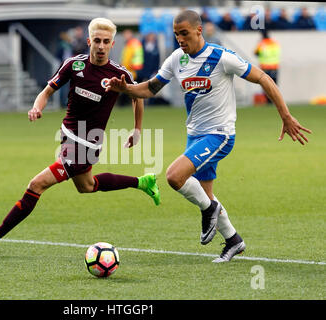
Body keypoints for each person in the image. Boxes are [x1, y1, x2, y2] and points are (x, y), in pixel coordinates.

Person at [106, 10, 311, 263]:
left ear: (198, 31)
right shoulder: (176, 59)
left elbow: (264, 78)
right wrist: (125, 88)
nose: (180, 39)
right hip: (195, 135)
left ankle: (210, 210)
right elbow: (150, 88)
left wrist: (286, 116)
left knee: (174, 176)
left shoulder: (221, 57)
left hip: (220, 135)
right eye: (176, 34)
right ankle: (234, 240)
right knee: (205, 194)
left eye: (185, 33)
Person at [0, 17, 160, 254]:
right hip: (68, 136)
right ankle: (143, 182)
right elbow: (47, 91)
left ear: (112, 44)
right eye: (97, 41)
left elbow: (136, 96)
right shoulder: (74, 65)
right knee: (87, 186)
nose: (101, 46)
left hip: (86, 146)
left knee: (36, 184)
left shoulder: (118, 73)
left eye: (106, 42)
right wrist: (37, 107)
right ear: (89, 41)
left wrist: (137, 129)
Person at [254, 29, 281, 104]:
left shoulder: (262, 43)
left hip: (265, 67)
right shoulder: (275, 43)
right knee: (274, 85)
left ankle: (268, 101)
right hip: (275, 66)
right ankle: (276, 101)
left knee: (265, 85)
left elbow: (255, 53)